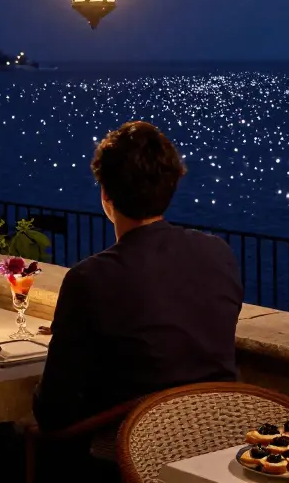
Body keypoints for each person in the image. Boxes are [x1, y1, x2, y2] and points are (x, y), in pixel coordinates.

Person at [33, 121, 243, 432]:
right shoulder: (218, 253)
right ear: (170, 186)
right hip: (218, 434)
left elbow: (53, 406)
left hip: (126, 447)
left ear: (106, 195)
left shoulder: (89, 279)